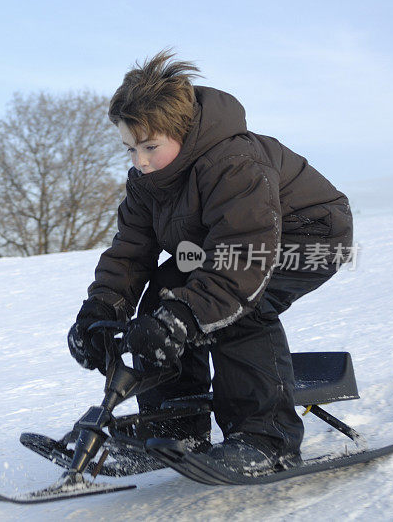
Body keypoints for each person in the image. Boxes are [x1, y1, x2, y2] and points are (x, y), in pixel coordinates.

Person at [67, 50, 353, 473]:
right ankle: (176, 425)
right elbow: (130, 250)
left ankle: (265, 439)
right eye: (130, 149)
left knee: (237, 311)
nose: (139, 161)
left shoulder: (233, 162)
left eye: (149, 146)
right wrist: (102, 309)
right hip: (223, 245)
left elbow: (239, 260)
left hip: (308, 237)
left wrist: (187, 313)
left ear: (182, 134)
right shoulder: (146, 183)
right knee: (164, 301)